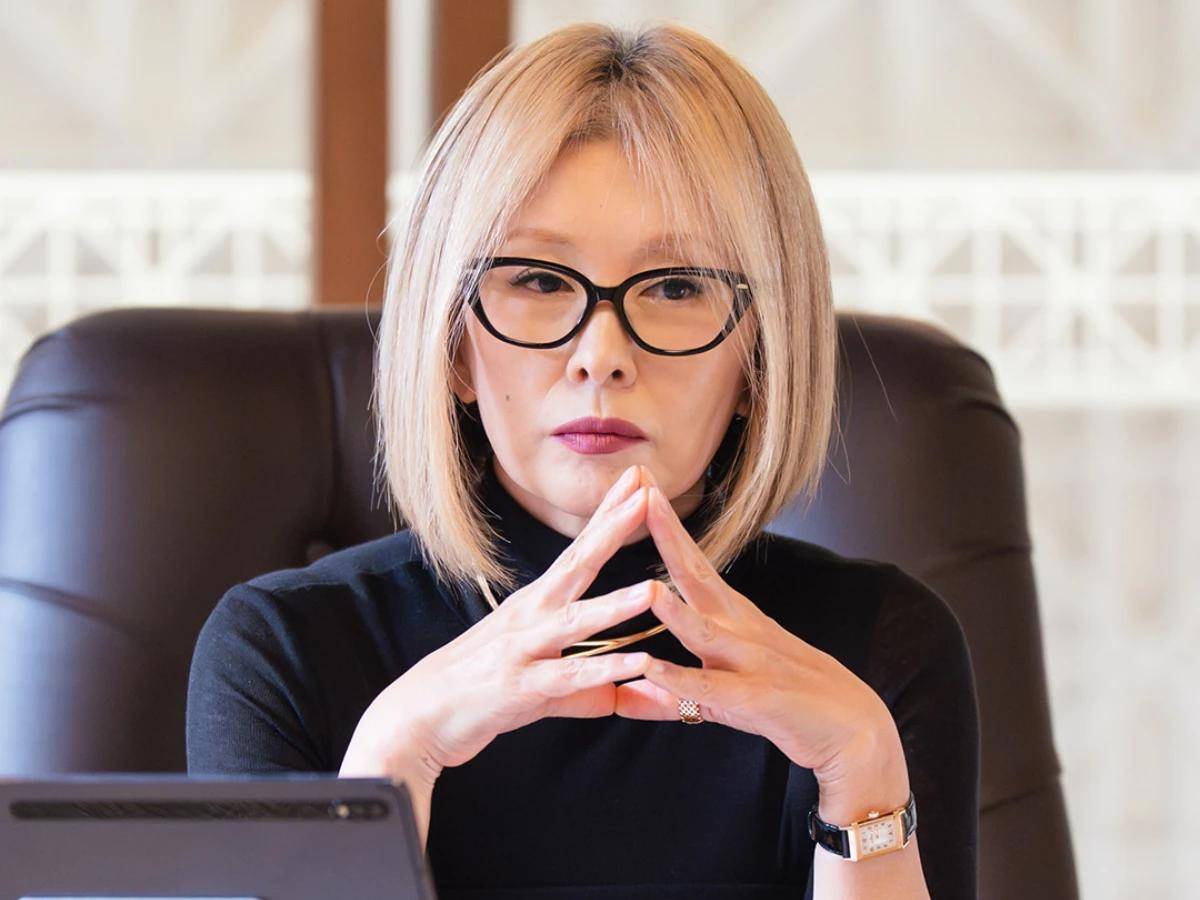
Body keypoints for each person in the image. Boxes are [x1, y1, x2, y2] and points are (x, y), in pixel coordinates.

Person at [186, 20, 979, 900]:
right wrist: (393, 763)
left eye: (676, 286)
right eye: (538, 280)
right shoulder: (284, 651)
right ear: (454, 348)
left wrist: (862, 772)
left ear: (759, 361)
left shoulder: (880, 654)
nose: (602, 356)